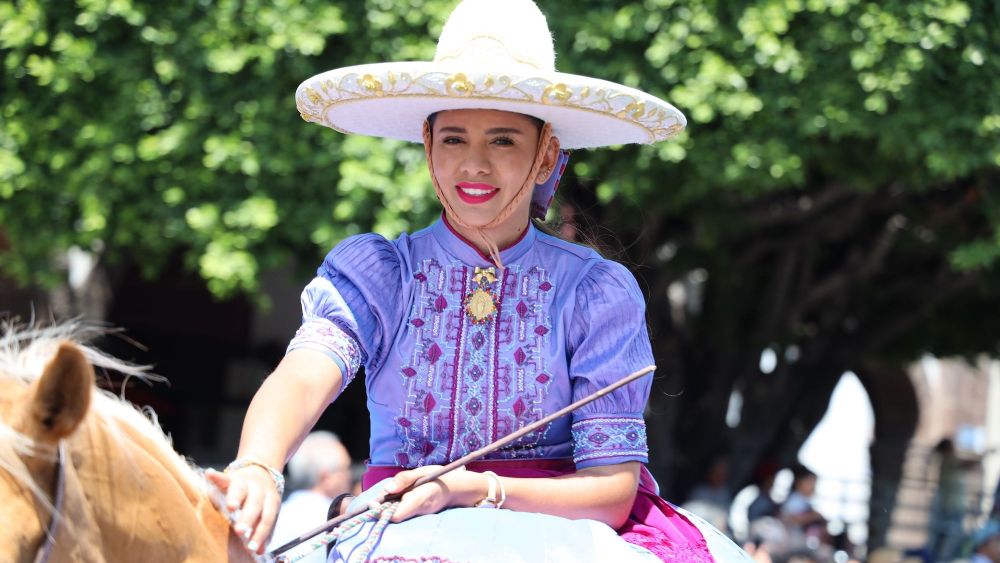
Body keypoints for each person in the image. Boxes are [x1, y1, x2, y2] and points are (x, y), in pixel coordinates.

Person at [206, 1, 750, 561]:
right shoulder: (379, 274)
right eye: (454, 139)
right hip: (396, 531)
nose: (474, 165)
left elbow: (613, 491)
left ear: (546, 156)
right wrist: (257, 465)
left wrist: (471, 489)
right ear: (427, 146)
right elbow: (302, 375)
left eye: (503, 140)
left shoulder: (594, 291)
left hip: (562, 536)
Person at [266, 431, 352, 563]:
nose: (350, 476)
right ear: (327, 478)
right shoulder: (343, 522)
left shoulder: (271, 516)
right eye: (345, 469)